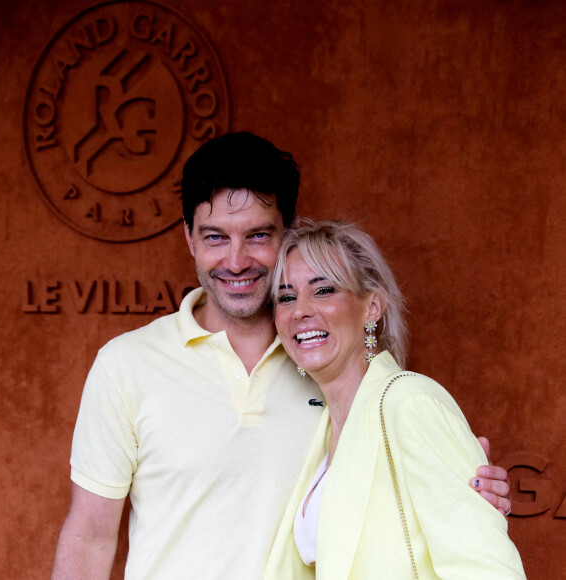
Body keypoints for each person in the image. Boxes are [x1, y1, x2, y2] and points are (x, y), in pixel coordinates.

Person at [51, 133, 512, 580]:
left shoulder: (330, 364)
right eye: (215, 238)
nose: (236, 261)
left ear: (287, 235)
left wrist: (467, 488)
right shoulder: (125, 365)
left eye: (257, 236)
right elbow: (89, 535)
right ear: (189, 237)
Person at [264, 220, 526, 579]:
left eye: (323, 290)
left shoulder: (409, 401)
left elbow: (485, 569)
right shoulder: (321, 429)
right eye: (287, 297)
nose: (300, 311)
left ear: (372, 306)